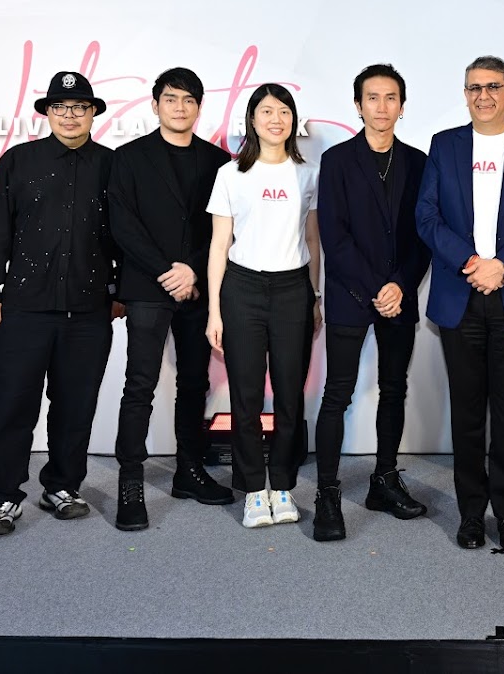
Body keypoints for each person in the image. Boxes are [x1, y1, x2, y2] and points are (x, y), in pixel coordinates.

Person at [416, 55, 504, 550]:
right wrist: (472, 262)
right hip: (460, 295)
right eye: (474, 87)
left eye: (493, 86)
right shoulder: (444, 145)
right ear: (465, 94)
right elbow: (427, 216)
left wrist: (503, 265)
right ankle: (471, 515)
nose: (484, 96)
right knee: (468, 414)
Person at [0, 71, 122, 537]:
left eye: (79, 107)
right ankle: (1, 497)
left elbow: (125, 234)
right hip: (23, 307)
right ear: (47, 113)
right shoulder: (18, 161)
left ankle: (62, 486)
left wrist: (119, 291)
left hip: (89, 309)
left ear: (93, 113)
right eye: (60, 107)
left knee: (76, 405)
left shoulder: (112, 165)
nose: (70, 115)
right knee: (10, 403)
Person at [109, 67, 234, 531]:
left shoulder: (220, 161)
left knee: (195, 382)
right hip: (148, 287)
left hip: (198, 289)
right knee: (139, 385)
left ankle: (189, 470)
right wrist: (167, 271)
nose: (180, 107)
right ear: (155, 104)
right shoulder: (129, 157)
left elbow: (223, 228)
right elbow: (122, 225)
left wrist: (192, 270)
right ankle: (130, 482)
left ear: (199, 107)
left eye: (189, 100)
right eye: (171, 99)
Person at [312, 63, 432, 541]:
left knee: (394, 388)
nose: (382, 107)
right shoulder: (337, 160)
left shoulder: (420, 162)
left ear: (402, 106)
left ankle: (384, 479)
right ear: (358, 105)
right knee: (337, 394)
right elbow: (334, 236)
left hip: (399, 296)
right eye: (372, 98)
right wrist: (375, 289)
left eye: (390, 98)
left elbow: (425, 234)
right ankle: (327, 494)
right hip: (350, 295)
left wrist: (399, 284)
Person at [205, 83, 321, 529]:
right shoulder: (231, 174)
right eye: (267, 111)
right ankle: (255, 488)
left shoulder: (308, 174)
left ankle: (284, 486)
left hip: (293, 290)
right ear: (252, 119)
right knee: (246, 395)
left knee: (290, 394)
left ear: (293, 120)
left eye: (284, 111)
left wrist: (315, 296)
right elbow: (219, 246)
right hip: (242, 290)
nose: (277, 119)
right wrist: (215, 311)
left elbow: (312, 241)